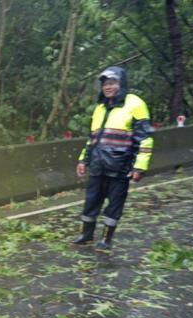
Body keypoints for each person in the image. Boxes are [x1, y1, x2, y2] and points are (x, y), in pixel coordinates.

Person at [73, 66, 154, 250]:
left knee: (115, 204)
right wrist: (83, 160)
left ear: (121, 83)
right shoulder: (100, 108)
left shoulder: (135, 104)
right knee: (91, 201)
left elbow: (145, 138)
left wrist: (139, 167)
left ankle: (106, 239)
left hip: (121, 165)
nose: (108, 87)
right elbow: (92, 138)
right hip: (97, 164)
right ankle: (86, 234)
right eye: (105, 84)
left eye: (112, 83)